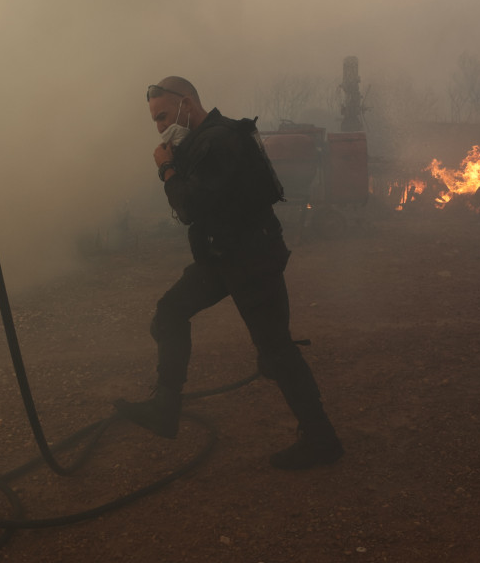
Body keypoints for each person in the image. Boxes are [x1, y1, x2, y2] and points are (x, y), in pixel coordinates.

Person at [114, 77, 343, 470]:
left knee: (276, 351)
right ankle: (165, 408)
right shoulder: (205, 141)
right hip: (222, 258)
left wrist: (167, 169)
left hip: (251, 259)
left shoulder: (220, 141)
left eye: (163, 116)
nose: (159, 126)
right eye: (154, 120)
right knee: (170, 312)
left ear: (188, 103)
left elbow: (189, 207)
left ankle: (321, 439)